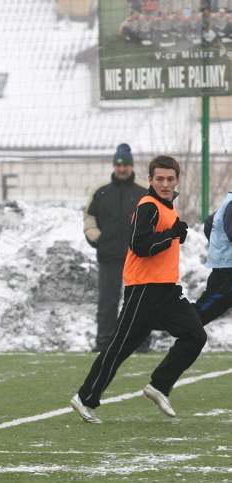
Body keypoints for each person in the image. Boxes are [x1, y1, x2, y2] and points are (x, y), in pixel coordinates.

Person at [71, 155, 207, 423]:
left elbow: (161, 240)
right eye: (160, 179)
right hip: (144, 290)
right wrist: (171, 234)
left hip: (167, 290)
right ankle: (85, 398)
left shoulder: (166, 207)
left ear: (177, 180)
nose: (165, 184)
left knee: (195, 336)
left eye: (170, 179)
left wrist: (174, 233)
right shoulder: (148, 206)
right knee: (119, 347)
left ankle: (159, 386)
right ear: (150, 180)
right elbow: (140, 246)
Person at [84, 143, 148, 352]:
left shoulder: (144, 192)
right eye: (118, 165)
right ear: (114, 166)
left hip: (137, 257)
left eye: (125, 165)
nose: (122, 169)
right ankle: (105, 344)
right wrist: (97, 238)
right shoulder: (101, 191)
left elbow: (156, 218)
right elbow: (89, 217)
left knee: (138, 302)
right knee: (107, 302)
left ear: (131, 166)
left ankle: (139, 344)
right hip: (109, 255)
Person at [194, 190, 232, 324]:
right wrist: (221, 250)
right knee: (206, 308)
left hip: (225, 266)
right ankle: (171, 324)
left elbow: (209, 224)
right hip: (227, 269)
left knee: (209, 306)